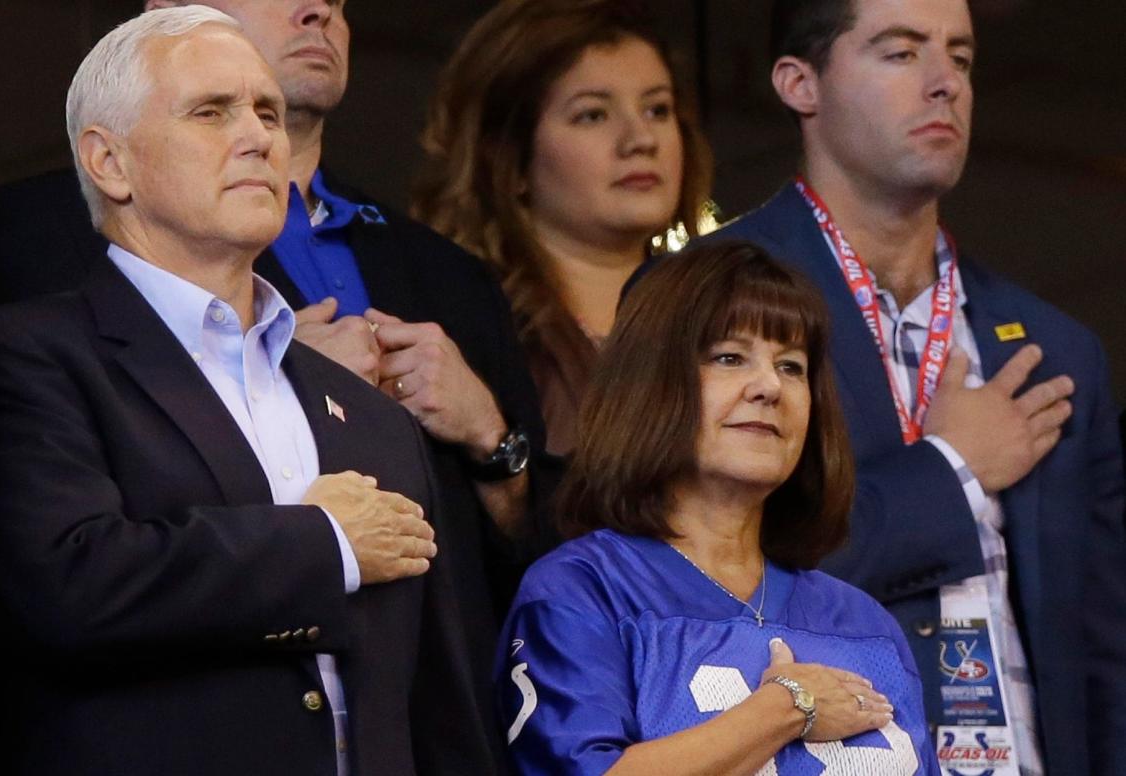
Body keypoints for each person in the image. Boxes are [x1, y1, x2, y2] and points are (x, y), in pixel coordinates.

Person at [0, 0, 555, 748]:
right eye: (212, 113)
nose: (258, 138)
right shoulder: (25, 359)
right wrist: (324, 543)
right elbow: (64, 589)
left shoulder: (364, 411)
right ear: (108, 162)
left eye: (268, 114)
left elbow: (433, 701)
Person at [634, 0, 1126, 772]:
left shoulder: (1056, 348)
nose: (944, 84)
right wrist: (952, 471)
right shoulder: (699, 296)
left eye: (960, 58)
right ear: (801, 84)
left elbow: (1106, 650)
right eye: (900, 54)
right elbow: (687, 581)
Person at [499, 241, 938, 775]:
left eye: (792, 366)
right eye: (729, 357)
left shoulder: (865, 624)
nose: (769, 386)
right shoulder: (580, 593)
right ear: (650, 385)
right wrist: (786, 707)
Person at [411, 0, 712, 455]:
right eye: (593, 114)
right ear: (509, 162)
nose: (641, 140)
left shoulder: (722, 312)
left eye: (657, 110)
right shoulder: (468, 334)